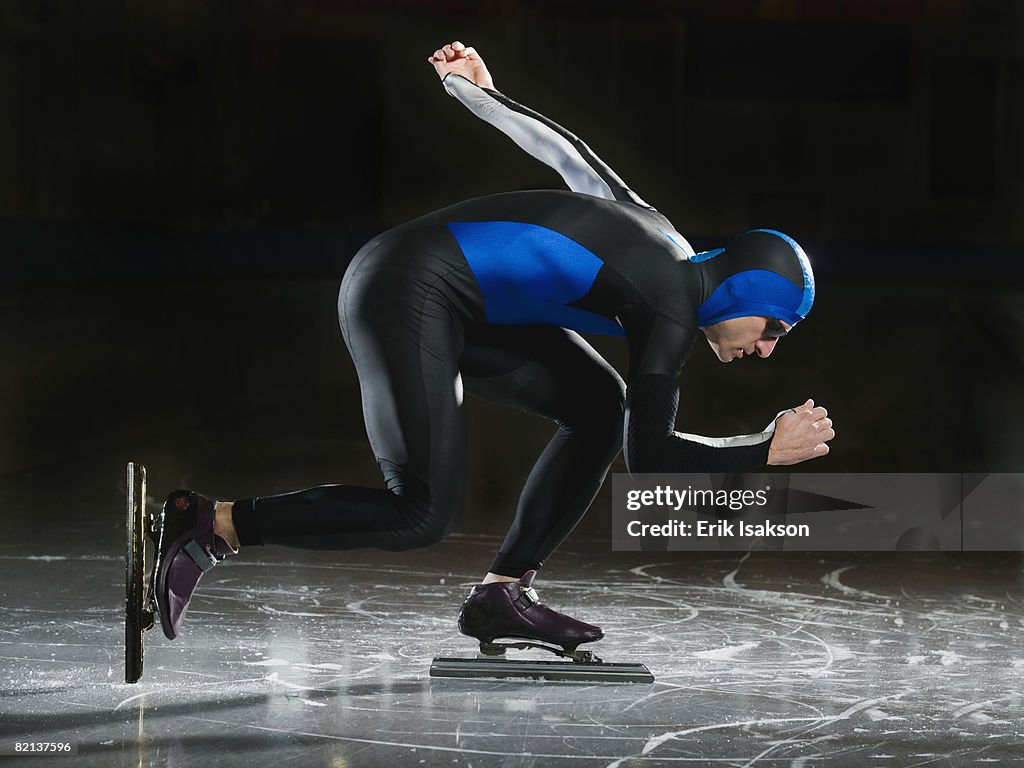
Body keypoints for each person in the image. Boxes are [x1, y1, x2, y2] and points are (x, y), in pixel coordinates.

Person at [151, 42, 835, 656]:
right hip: (404, 289)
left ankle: (501, 595)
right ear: (746, 296)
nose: (769, 350)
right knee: (420, 513)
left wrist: (478, 94)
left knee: (600, 406)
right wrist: (760, 450)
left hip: (456, 301)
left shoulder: (663, 241)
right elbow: (649, 455)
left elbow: (571, 155)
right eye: (775, 329)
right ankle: (212, 523)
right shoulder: (669, 307)